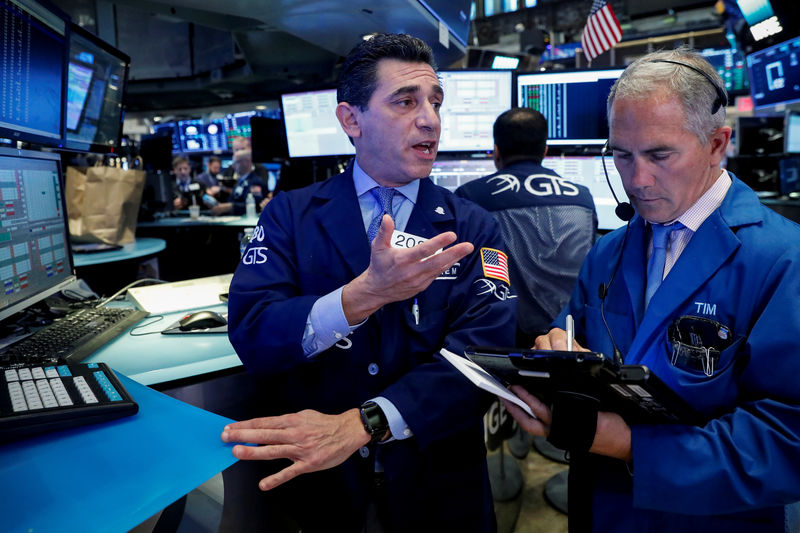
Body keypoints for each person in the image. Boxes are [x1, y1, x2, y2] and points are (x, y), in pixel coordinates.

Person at [220, 33, 516, 531]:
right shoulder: (290, 214)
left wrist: (366, 422)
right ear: (351, 120)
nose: (430, 119)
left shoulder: (472, 225)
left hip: (438, 485)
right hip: (324, 494)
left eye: (434, 102)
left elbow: (487, 354)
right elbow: (253, 332)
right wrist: (362, 297)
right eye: (405, 101)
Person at [502, 48, 800, 532]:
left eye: (660, 155)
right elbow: (571, 333)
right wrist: (554, 355)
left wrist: (628, 443)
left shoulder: (782, 259)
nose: (636, 181)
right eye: (621, 155)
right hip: (600, 509)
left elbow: (788, 436)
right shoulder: (609, 251)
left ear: (716, 144)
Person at [455, 107, 597, 346]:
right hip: (572, 339)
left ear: (496, 152)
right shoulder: (583, 198)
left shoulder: (469, 196)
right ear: (544, 151)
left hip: (506, 341)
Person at [209, 149, 266, 215]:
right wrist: (218, 205)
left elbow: (255, 206)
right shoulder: (240, 181)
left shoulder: (255, 181)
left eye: (236, 162)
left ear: (246, 162)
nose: (233, 166)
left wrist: (230, 206)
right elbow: (232, 199)